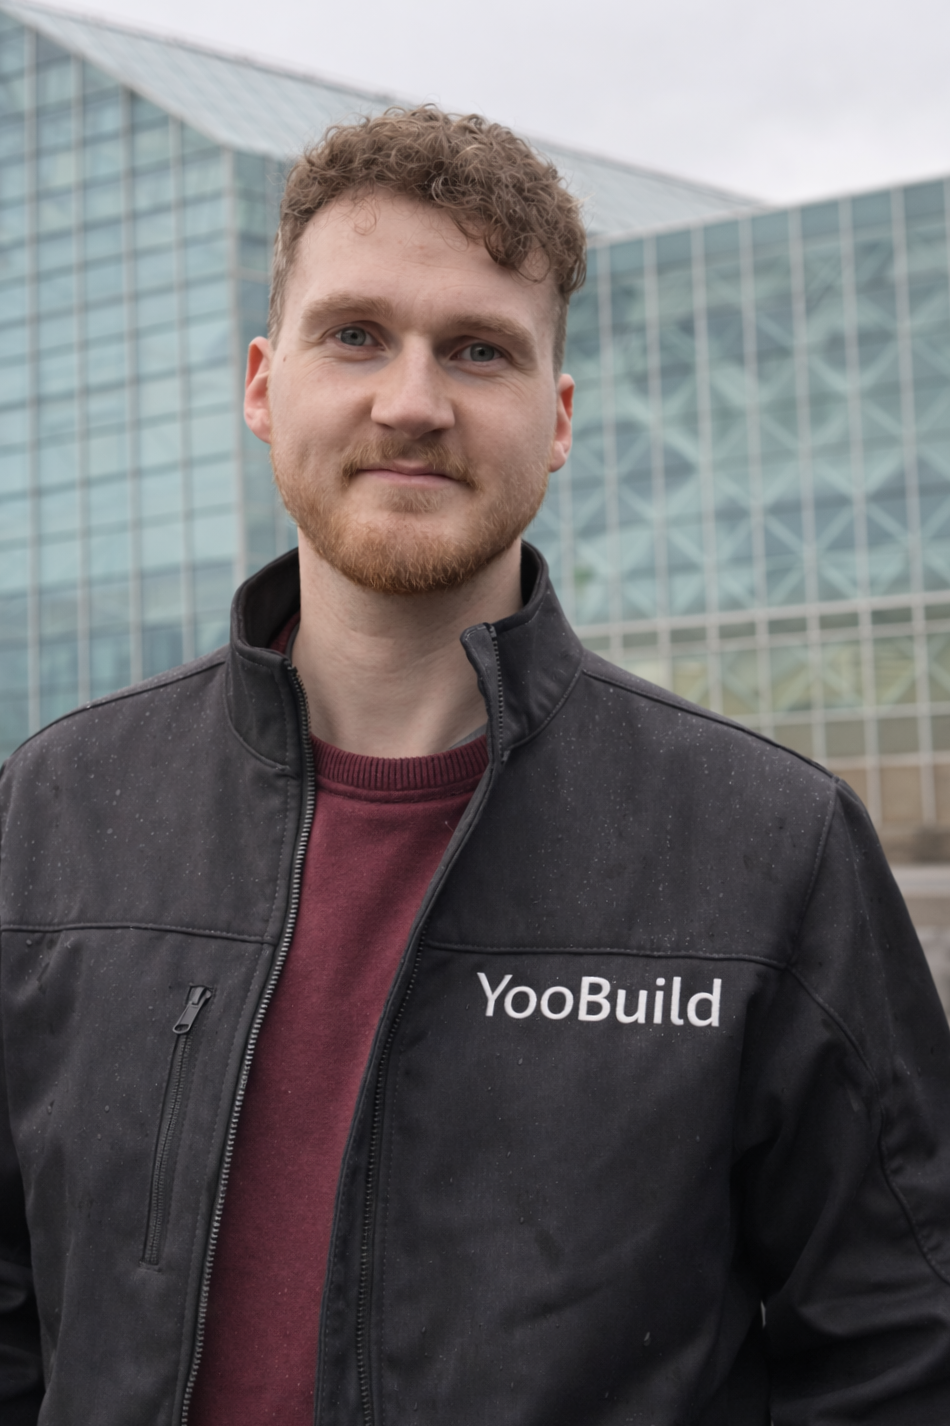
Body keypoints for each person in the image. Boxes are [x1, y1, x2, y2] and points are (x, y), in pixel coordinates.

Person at [1, 105, 949, 1426]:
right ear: (265, 385)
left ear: (554, 418)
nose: (412, 400)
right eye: (355, 335)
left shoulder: (767, 845)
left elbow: (901, 1344)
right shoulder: (55, 810)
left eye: (478, 350)